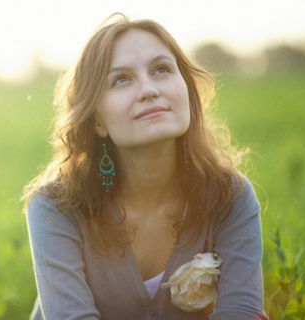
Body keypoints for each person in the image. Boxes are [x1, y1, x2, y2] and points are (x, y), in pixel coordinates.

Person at [22, 13, 267, 320]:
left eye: (161, 69)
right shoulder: (56, 207)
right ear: (97, 120)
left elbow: (241, 312)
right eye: (121, 79)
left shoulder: (230, 196)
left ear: (187, 93)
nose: (149, 89)